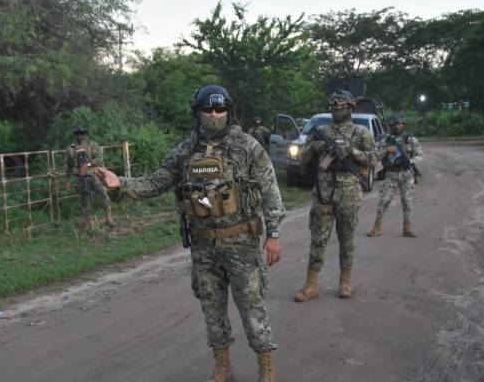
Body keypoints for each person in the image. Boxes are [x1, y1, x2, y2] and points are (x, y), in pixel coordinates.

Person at [94, 85, 285, 382]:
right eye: (207, 109)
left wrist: (273, 235)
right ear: (197, 112)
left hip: (242, 245)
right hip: (204, 247)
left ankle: (267, 369)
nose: (214, 115)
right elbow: (156, 182)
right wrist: (122, 183)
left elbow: (271, 193)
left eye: (219, 109)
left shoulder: (247, 147)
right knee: (212, 310)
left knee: (252, 308)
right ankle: (223, 368)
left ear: (228, 111)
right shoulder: (185, 151)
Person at [293, 90, 377, 302]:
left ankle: (345, 282)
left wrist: (351, 152)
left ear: (350, 108)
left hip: (349, 192)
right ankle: (311, 285)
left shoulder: (361, 133)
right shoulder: (320, 131)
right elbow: (301, 159)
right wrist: (313, 147)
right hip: (323, 193)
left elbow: (373, 160)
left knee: (346, 239)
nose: (336, 111)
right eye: (333, 108)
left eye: (340, 107)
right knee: (318, 240)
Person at [367, 113, 423, 238]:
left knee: (407, 202)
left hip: (406, 174)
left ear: (403, 124)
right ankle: (377, 227)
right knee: (384, 201)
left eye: (399, 124)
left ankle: (407, 229)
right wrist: (387, 150)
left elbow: (419, 155)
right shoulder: (385, 141)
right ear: (390, 126)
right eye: (394, 124)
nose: (397, 126)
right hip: (391, 174)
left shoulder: (410, 140)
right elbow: (374, 158)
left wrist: (411, 161)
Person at [65, 125, 114, 230]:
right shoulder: (71, 149)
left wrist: (87, 165)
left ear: (85, 134)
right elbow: (68, 165)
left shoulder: (92, 145)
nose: (80, 136)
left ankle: (108, 218)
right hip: (80, 176)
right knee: (84, 199)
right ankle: (87, 223)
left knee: (103, 193)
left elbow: (99, 158)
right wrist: (68, 180)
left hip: (92, 174)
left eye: (82, 133)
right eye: (78, 134)